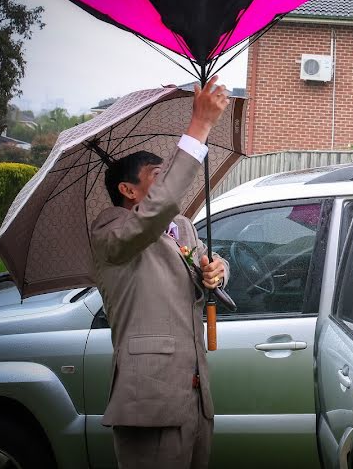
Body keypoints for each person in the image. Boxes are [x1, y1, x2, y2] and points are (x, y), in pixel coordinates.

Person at [91, 76, 231, 469]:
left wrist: (217, 272)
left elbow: (209, 267)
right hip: (149, 399)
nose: (167, 179)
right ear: (128, 190)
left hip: (195, 395)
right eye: (157, 173)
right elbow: (155, 213)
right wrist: (199, 126)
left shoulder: (182, 228)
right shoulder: (111, 231)